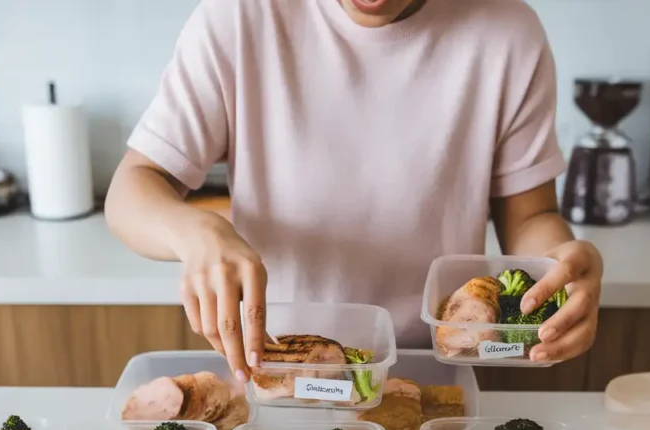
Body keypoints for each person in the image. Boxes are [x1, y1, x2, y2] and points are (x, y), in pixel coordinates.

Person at [106, 0, 603, 384]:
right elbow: (132, 189)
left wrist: (556, 265)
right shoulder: (239, 17)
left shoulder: (507, 32)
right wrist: (196, 231)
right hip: (282, 362)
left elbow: (530, 217)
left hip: (430, 366)